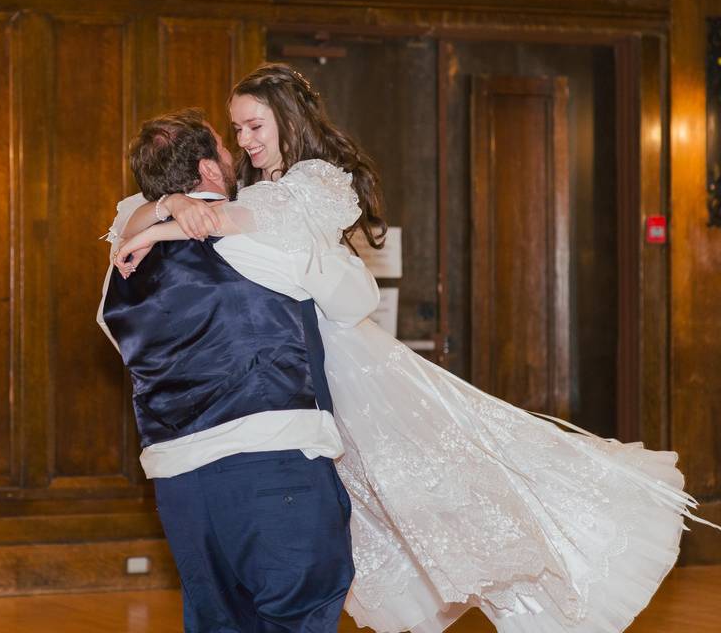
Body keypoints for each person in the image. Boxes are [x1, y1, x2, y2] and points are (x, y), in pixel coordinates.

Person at [114, 63, 721, 633]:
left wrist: (170, 216)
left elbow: (308, 269)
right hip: (299, 387)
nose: (244, 140)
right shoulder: (236, 200)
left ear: (287, 121)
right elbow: (181, 225)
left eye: (253, 126)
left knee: (454, 465)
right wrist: (171, 205)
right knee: (366, 521)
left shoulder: (299, 187)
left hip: (330, 366)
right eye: (236, 130)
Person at [98, 108, 380, 632]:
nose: (237, 156)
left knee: (219, 623)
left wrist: (163, 212)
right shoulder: (260, 236)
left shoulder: (121, 269)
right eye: (226, 151)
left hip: (179, 485)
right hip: (272, 465)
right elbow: (354, 301)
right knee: (300, 612)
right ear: (208, 169)